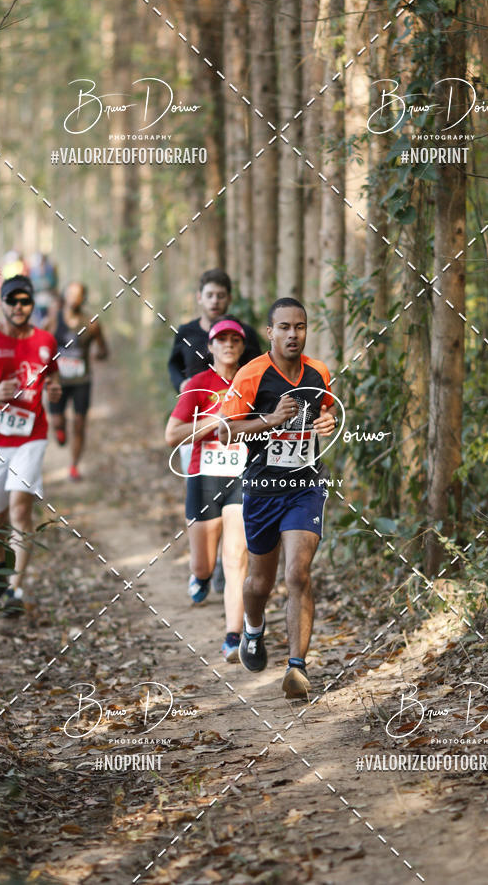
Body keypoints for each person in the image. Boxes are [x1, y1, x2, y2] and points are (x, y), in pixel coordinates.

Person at [220, 297, 337, 699]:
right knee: (259, 582)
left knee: (297, 573)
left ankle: (296, 668)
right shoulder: (252, 375)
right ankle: (253, 630)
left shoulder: (319, 372)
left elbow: (327, 414)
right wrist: (270, 420)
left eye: (299, 327)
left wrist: (327, 421)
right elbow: (225, 432)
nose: (293, 334)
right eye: (284, 327)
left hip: (305, 486)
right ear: (270, 332)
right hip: (262, 489)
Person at [165, 318, 248, 661]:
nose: (228, 345)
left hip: (242, 476)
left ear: (242, 347)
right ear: (210, 347)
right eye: (221, 339)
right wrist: (212, 423)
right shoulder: (198, 384)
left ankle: (234, 636)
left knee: (235, 557)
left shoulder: (253, 381)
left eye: (235, 340)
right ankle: (200, 575)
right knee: (203, 563)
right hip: (203, 475)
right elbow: (171, 435)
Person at [0, 275, 61, 614]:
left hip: (31, 435)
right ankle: (1, 563)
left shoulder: (45, 341)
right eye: (12, 301)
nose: (18, 307)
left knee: (20, 508)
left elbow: (52, 377)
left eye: (24, 301)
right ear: (2, 303)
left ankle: (15, 590)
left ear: (32, 304)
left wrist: (54, 391)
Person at [46, 282, 108, 481]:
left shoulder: (91, 323)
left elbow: (103, 349)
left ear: (83, 298)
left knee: (80, 424)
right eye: (70, 293)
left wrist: (98, 355)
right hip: (58, 380)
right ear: (64, 295)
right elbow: (38, 341)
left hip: (82, 380)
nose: (73, 297)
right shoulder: (53, 320)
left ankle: (73, 466)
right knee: (57, 422)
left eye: (78, 294)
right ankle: (60, 430)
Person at [168, 269, 261, 394]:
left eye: (220, 296)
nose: (215, 301)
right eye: (209, 295)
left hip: (235, 405)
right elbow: (174, 364)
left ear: (229, 298)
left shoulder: (245, 333)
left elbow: (257, 370)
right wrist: (181, 384)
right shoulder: (185, 332)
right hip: (195, 404)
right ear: (199, 297)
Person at [28, 252, 58, 324]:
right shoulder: (33, 273)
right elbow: (31, 287)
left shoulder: (50, 272)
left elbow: (53, 285)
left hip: (49, 302)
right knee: (38, 321)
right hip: (37, 303)